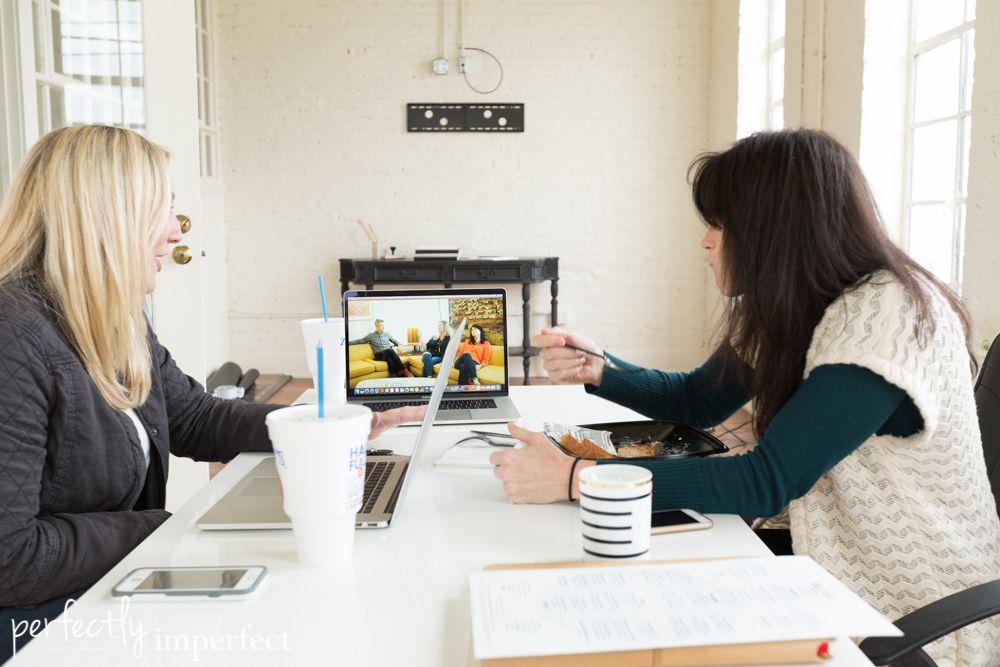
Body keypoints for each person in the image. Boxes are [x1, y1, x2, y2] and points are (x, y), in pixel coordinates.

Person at [489, 129, 1000, 664]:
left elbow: (768, 481)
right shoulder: (800, 305)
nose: (706, 242)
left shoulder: (886, 317)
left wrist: (576, 479)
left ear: (775, 230)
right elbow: (696, 400)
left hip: (910, 616)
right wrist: (601, 370)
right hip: (826, 573)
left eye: (720, 225)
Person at [0, 125, 422, 662]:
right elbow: (9, 559)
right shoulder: (12, 336)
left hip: (106, 585)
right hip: (36, 628)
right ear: (104, 217)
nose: (176, 232)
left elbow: (193, 416)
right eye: (163, 209)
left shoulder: (111, 316)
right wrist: (161, 531)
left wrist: (319, 426)